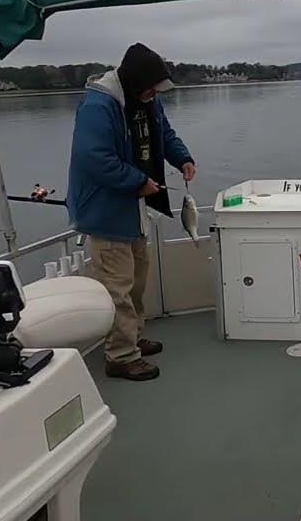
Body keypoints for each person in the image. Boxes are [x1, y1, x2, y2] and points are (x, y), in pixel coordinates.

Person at [67, 43, 196, 381]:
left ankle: (134, 336)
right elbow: (93, 158)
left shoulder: (147, 100)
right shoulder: (98, 105)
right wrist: (138, 181)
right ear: (136, 80)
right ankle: (121, 355)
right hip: (107, 212)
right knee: (117, 286)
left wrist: (182, 158)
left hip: (135, 208)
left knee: (137, 279)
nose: (155, 92)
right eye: (152, 85)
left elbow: (164, 134)